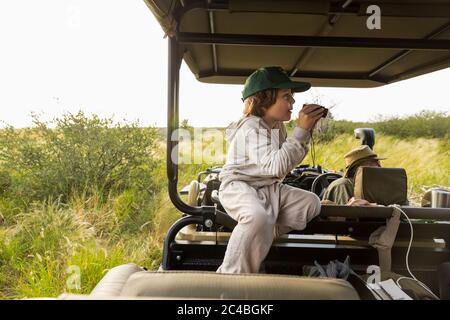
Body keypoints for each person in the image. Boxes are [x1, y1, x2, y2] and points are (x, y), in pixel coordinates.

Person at [217, 66, 324, 274]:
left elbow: (284, 164)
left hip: (268, 187)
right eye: (286, 96)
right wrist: (301, 131)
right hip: (240, 186)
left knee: (311, 203)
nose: (292, 102)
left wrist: (305, 131)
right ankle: (230, 276)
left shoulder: (277, 126)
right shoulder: (251, 127)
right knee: (257, 217)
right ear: (264, 100)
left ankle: (264, 233)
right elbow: (276, 166)